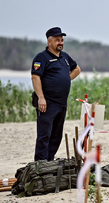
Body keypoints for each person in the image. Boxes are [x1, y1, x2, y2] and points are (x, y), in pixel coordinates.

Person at [31, 27, 81, 161]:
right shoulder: (41, 57)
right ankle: (40, 164)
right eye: (57, 40)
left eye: (62, 40)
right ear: (49, 42)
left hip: (61, 103)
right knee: (44, 135)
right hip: (47, 103)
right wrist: (41, 98)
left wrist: (65, 79)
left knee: (56, 135)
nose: (61, 43)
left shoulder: (65, 57)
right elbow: (35, 78)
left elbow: (77, 69)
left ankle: (50, 161)